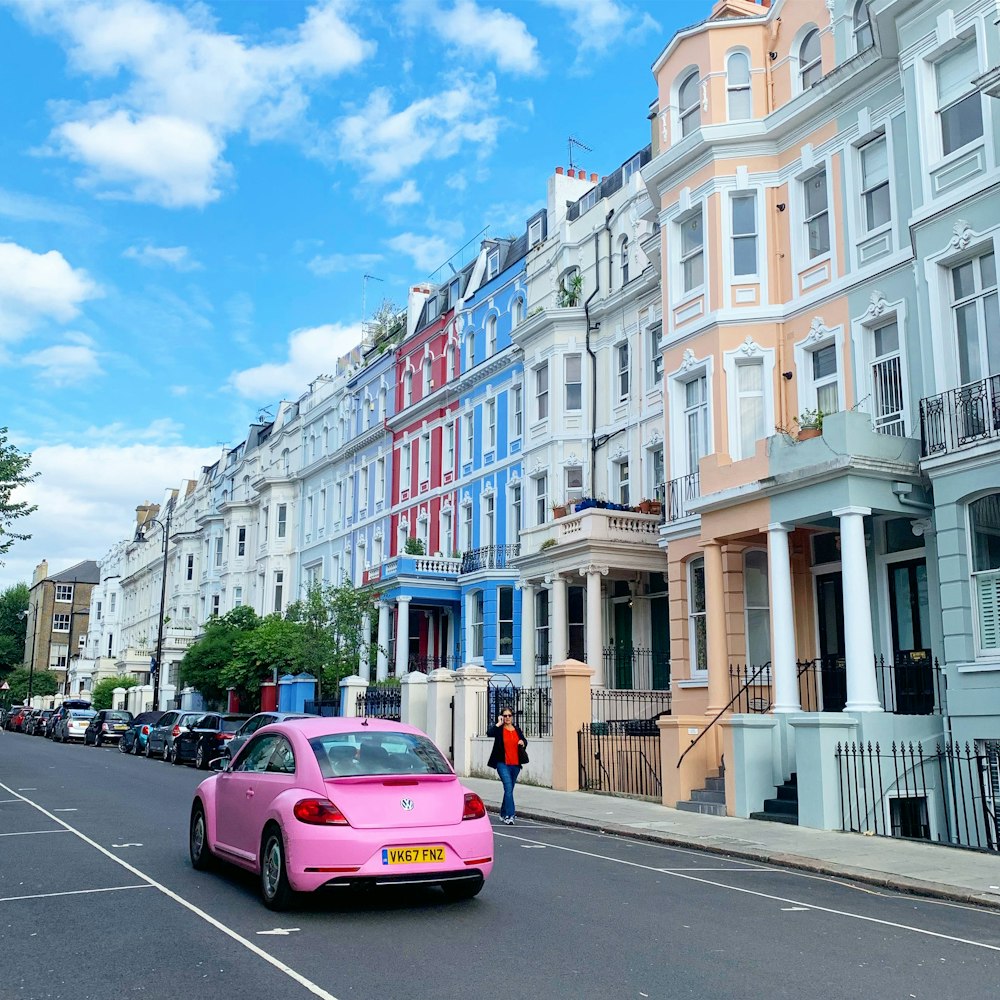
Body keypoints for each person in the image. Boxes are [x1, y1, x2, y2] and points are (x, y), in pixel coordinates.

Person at [486, 707, 528, 825]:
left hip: (515, 765)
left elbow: (524, 740)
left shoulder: (517, 729)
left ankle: (503, 813)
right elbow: (489, 733)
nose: (507, 718)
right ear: (502, 717)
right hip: (502, 763)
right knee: (508, 788)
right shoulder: (499, 730)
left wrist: (523, 742)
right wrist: (498, 723)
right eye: (505, 716)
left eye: (509, 715)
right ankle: (510, 815)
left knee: (509, 790)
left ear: (512, 716)